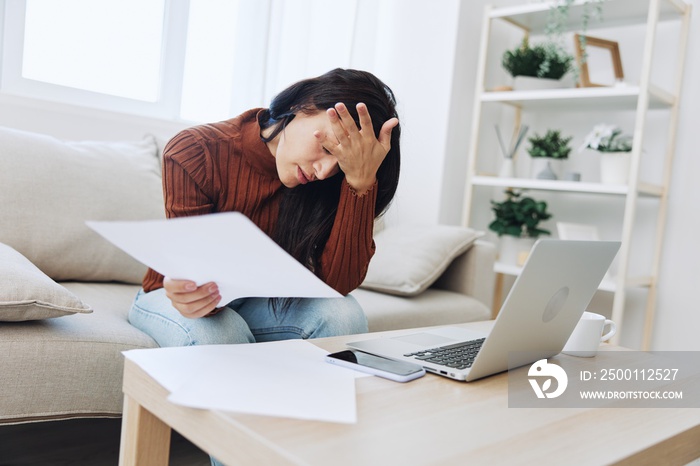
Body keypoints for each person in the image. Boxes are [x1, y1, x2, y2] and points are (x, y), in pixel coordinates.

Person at [128, 68, 401, 348]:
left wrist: (359, 182)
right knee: (220, 333)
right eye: (330, 149)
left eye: (341, 165)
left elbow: (336, 288)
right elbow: (194, 278)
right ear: (301, 106)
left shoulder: (330, 183)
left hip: (261, 300)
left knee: (344, 315)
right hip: (172, 297)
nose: (324, 171)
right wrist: (194, 294)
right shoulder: (197, 150)